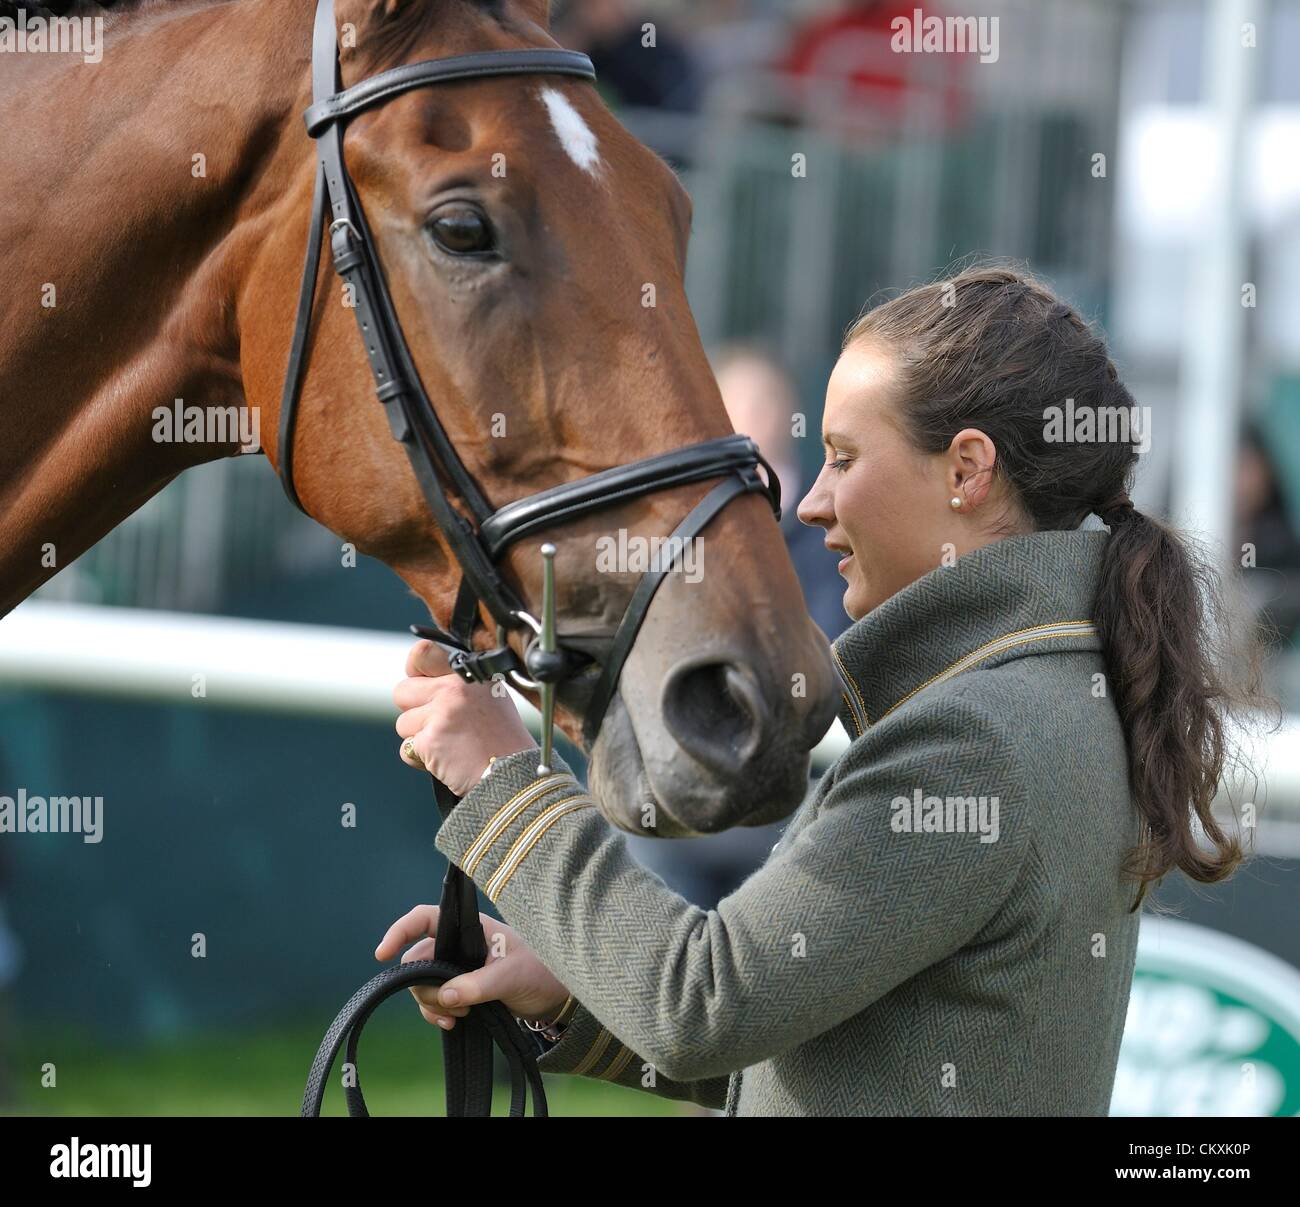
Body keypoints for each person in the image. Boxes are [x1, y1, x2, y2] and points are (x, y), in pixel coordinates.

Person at [381, 265, 1257, 1116]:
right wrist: (568, 989)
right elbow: (801, 1063)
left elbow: (699, 1006)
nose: (810, 502)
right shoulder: (1055, 695)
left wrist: (504, 781)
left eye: (842, 457)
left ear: (967, 469)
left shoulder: (971, 740)